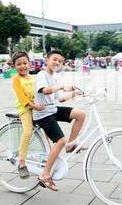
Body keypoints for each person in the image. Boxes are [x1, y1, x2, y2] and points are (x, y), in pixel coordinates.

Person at [33, 50, 86, 191]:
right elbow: (44, 90)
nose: (57, 62)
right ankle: (45, 174)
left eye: (60, 61)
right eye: (54, 59)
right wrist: (62, 86)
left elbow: (60, 98)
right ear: (46, 60)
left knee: (80, 114)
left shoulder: (53, 78)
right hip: (43, 113)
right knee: (60, 140)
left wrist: (76, 92)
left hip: (52, 109)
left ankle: (71, 145)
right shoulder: (42, 75)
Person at [11, 51, 46, 179]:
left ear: (30, 64)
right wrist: (34, 106)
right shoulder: (16, 80)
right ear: (14, 66)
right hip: (25, 109)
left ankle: (48, 157)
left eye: (25, 63)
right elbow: (22, 98)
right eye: (19, 64)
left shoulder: (34, 78)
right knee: (27, 132)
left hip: (36, 108)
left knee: (48, 129)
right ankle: (22, 163)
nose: (22, 66)